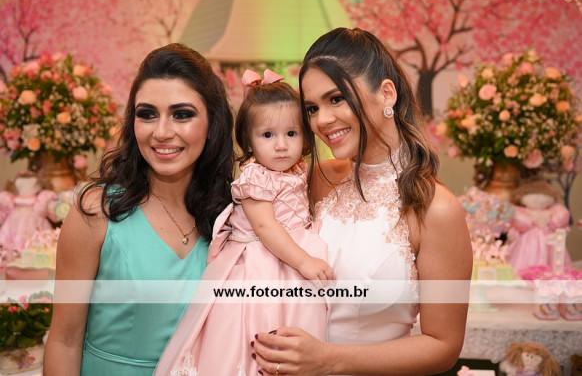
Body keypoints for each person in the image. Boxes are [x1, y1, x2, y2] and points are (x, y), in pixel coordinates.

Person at [252, 28, 473, 375]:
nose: (322, 120)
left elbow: (443, 345)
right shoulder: (314, 181)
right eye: (312, 108)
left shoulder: (435, 209)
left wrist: (328, 360)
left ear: (386, 93)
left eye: (336, 99)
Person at [43, 43, 235, 376]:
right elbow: (64, 341)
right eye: (147, 114)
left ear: (212, 123)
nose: (161, 132)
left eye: (182, 114)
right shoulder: (97, 211)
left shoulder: (232, 215)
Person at [154, 69, 332, 376]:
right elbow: (265, 228)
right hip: (259, 261)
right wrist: (304, 261)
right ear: (249, 141)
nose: (281, 145)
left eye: (291, 134)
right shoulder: (255, 177)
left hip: (289, 256)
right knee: (250, 329)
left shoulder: (298, 169)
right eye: (268, 135)